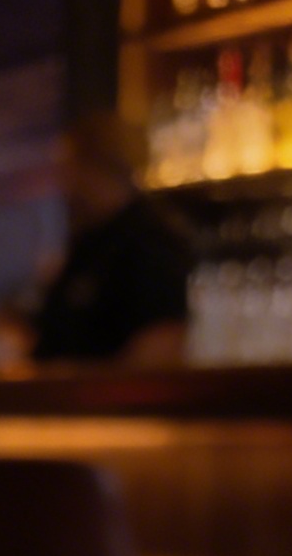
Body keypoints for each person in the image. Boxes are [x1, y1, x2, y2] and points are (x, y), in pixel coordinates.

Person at [31, 115, 192, 367]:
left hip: (107, 405)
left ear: (94, 166)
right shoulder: (90, 241)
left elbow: (162, 344)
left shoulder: (149, 239)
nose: (61, 184)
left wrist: (94, 395)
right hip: (68, 404)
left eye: (67, 167)